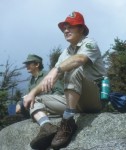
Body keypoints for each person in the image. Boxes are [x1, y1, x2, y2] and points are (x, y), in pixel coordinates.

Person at [24, 11, 106, 149]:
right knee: (32, 98)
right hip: (73, 100)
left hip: (93, 98)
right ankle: (46, 127)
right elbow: (49, 78)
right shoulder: (66, 52)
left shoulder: (89, 43)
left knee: (74, 67)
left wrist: (57, 70)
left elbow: (79, 60)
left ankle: (67, 121)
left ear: (81, 29)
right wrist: (32, 93)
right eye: (64, 28)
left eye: (70, 27)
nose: (66, 30)